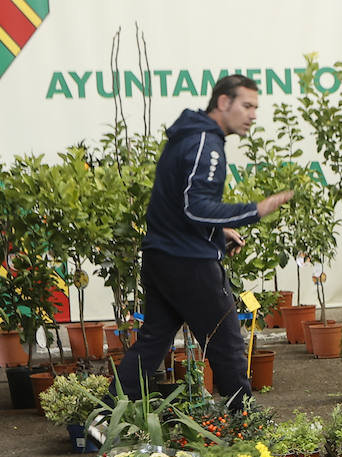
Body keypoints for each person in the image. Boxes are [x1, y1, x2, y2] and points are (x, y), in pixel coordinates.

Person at [116, 75, 293, 410]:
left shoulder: (189, 136)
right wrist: (253, 210)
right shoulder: (205, 144)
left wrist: (218, 232)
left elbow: (175, 202)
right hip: (189, 263)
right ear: (223, 103)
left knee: (152, 342)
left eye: (256, 107)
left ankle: (104, 418)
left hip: (161, 257)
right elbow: (195, 207)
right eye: (247, 106)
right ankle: (244, 424)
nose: (253, 115)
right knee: (226, 343)